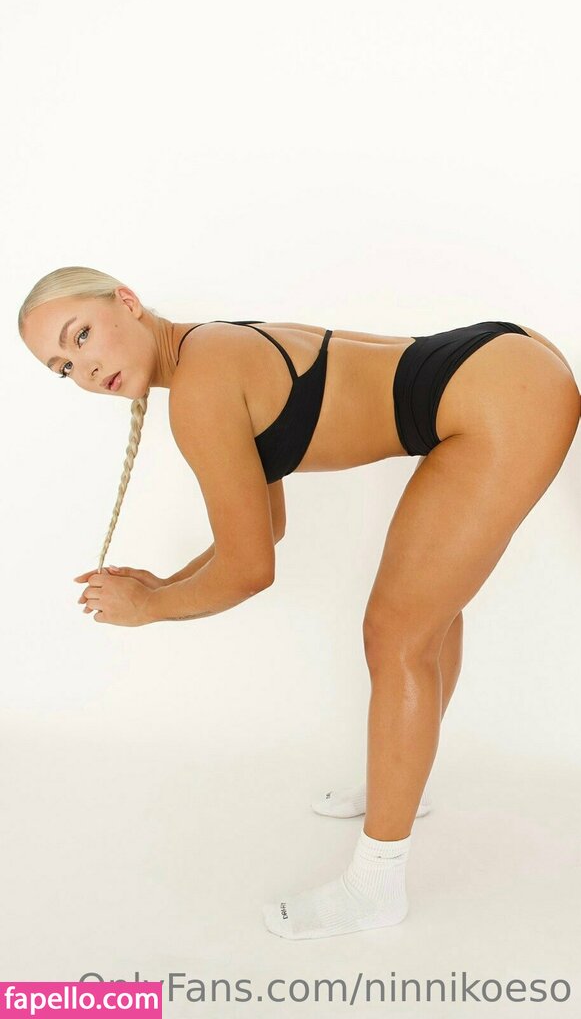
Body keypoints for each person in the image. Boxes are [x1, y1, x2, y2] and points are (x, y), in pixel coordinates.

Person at [19, 265, 580, 941]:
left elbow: (249, 571)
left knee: (396, 635)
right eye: (62, 368)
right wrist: (161, 585)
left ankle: (375, 886)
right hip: (501, 359)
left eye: (80, 335)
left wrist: (150, 607)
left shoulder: (199, 391)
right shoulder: (208, 346)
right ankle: (398, 781)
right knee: (425, 612)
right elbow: (266, 531)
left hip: (502, 395)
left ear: (127, 303)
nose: (83, 368)